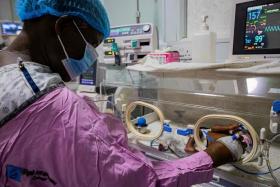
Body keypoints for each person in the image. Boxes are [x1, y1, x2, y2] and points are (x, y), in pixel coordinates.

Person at [0, 0, 245, 186]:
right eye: (91, 45)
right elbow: (142, 181)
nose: (91, 57)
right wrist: (212, 156)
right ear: (65, 27)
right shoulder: (59, 110)